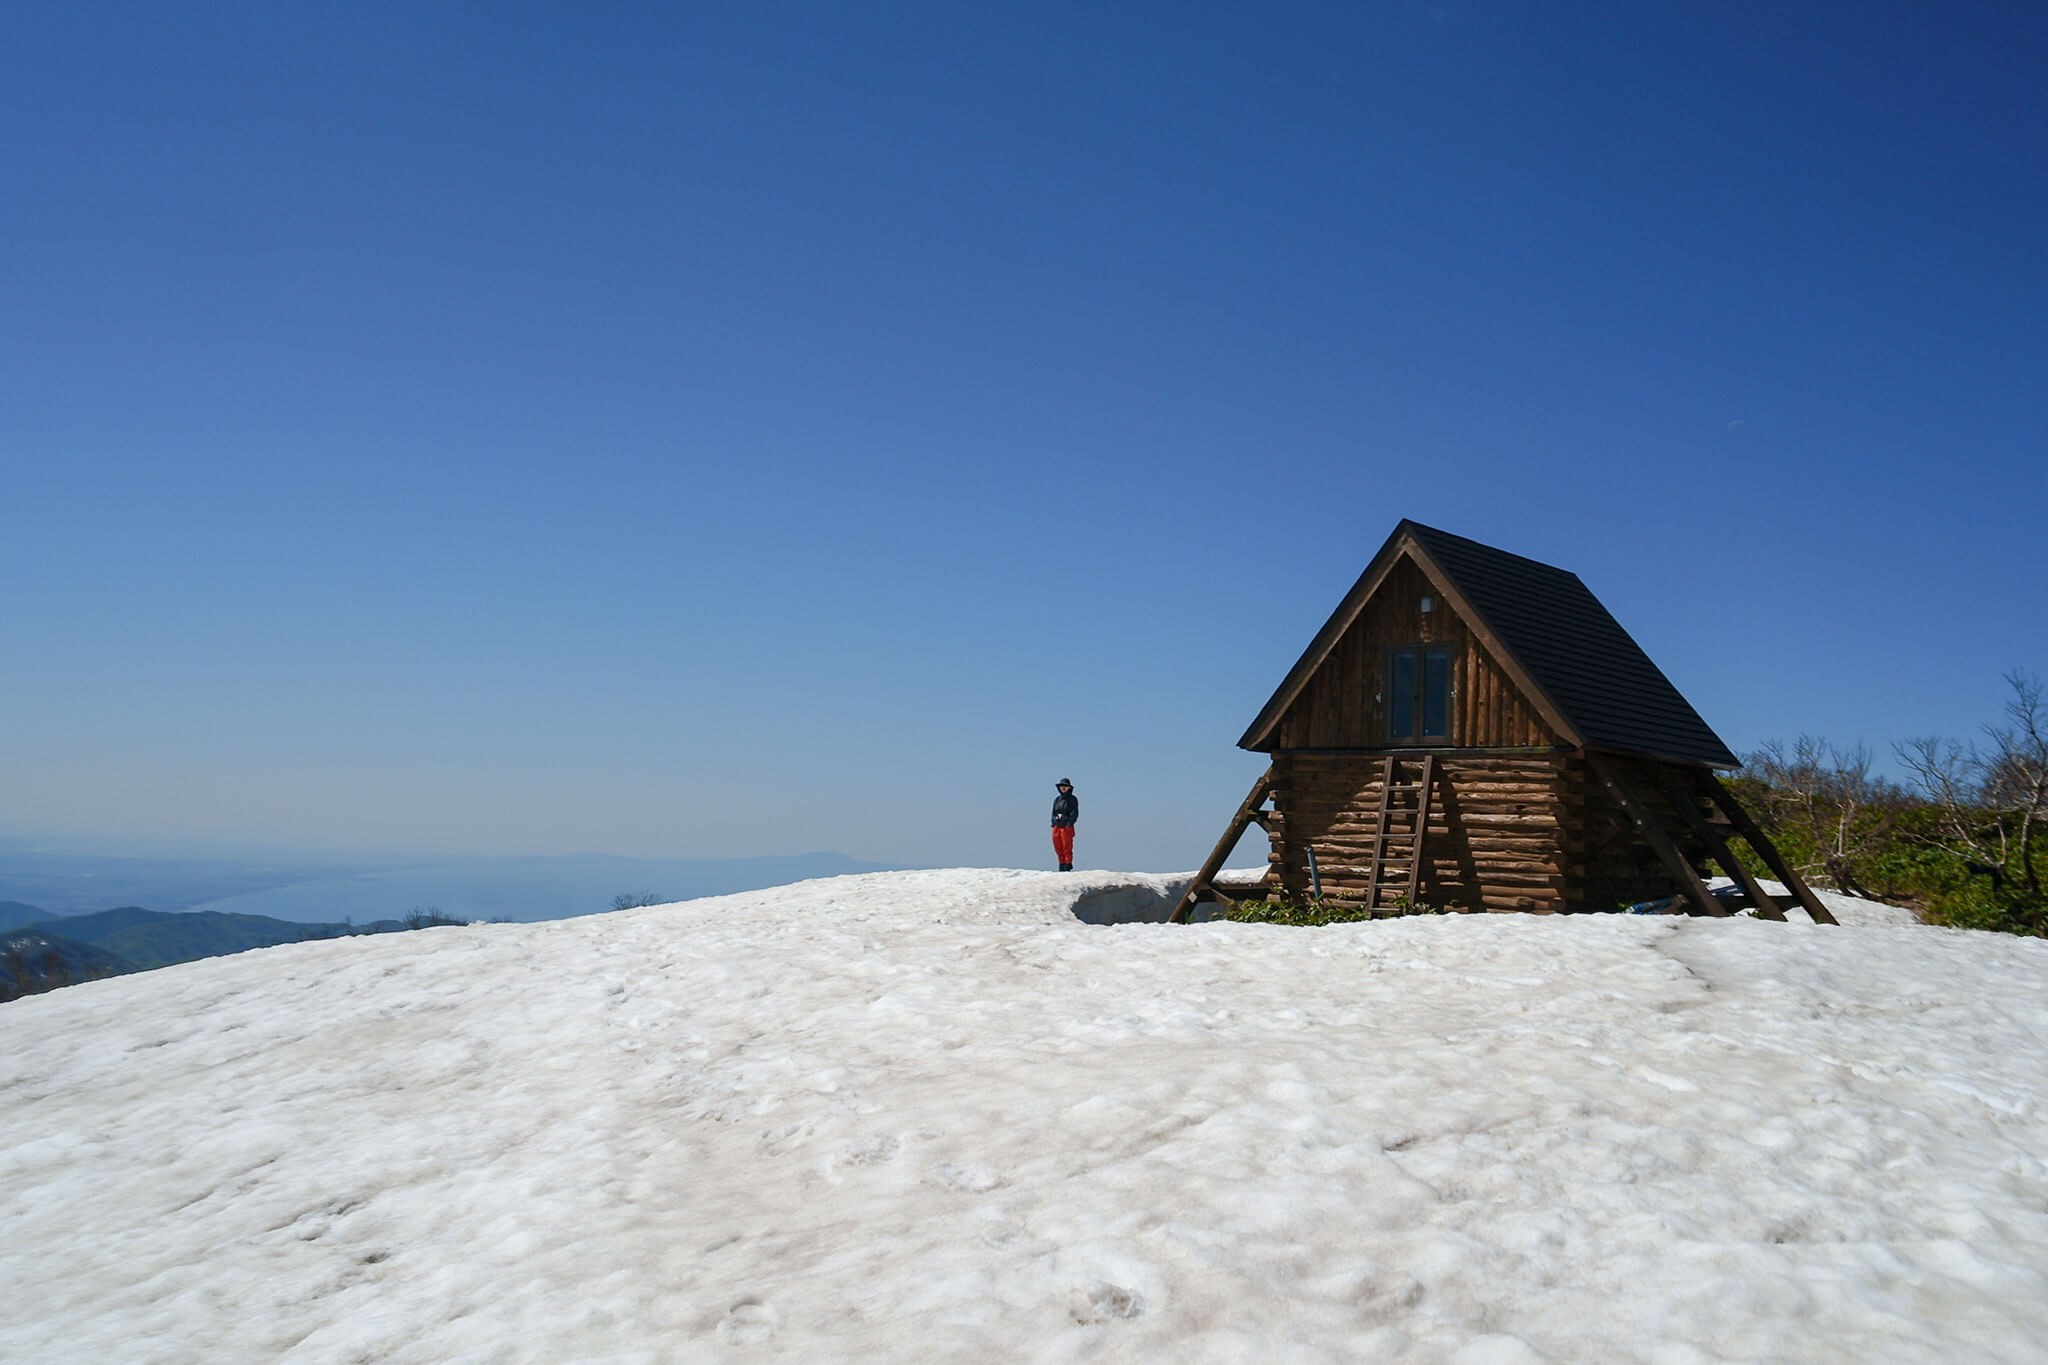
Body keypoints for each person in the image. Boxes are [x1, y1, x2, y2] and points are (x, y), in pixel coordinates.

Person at [1050, 779, 1078, 871]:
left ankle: (1067, 864)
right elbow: (1053, 812)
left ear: (1069, 787)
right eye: (1061, 786)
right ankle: (1061, 864)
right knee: (1057, 846)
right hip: (1057, 826)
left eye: (1065, 786)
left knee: (1067, 846)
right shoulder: (1057, 799)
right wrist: (1054, 822)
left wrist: (1069, 823)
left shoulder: (1072, 799)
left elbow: (1074, 812)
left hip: (1066, 826)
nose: (1063, 788)